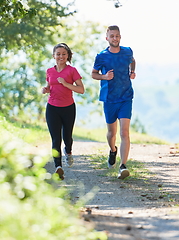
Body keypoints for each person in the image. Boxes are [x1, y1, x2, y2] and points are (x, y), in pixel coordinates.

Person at [91, 25, 136, 180]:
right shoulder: (102, 56)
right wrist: (104, 77)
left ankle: (123, 166)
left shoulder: (127, 51)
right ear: (107, 38)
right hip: (109, 98)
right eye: (112, 36)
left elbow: (133, 61)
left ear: (120, 37)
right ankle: (112, 150)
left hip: (125, 97)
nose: (115, 38)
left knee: (124, 132)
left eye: (117, 36)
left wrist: (132, 71)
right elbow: (94, 74)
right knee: (112, 133)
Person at [42, 43, 84, 180]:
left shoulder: (72, 71)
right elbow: (50, 86)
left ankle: (68, 151)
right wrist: (45, 89)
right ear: (53, 55)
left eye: (64, 54)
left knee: (67, 137)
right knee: (55, 138)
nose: (61, 56)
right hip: (52, 107)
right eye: (58, 54)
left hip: (68, 108)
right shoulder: (49, 71)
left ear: (68, 56)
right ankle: (58, 167)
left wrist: (65, 84)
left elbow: (81, 89)